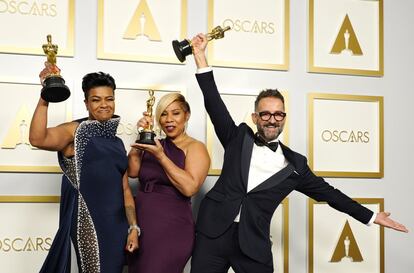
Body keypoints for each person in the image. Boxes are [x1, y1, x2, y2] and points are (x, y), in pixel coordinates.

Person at [188, 33, 409, 273]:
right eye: (265, 114)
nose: (272, 120)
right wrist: (200, 56)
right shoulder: (237, 138)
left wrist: (371, 216)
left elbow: (330, 194)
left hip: (252, 242)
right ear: (255, 118)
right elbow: (213, 102)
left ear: (284, 118)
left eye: (278, 114)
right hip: (212, 235)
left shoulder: (295, 165)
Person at [29, 63, 139, 273]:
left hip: (117, 229)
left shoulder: (117, 142)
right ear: (86, 103)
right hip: (88, 226)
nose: (104, 105)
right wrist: (45, 96)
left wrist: (133, 227)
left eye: (109, 99)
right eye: (96, 100)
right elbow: (37, 138)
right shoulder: (75, 132)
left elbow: (125, 191)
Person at [127, 92, 210, 273]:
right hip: (143, 223)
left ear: (186, 115)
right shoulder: (156, 143)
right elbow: (133, 172)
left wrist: (161, 156)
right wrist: (139, 138)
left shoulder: (195, 147)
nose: (169, 119)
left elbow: (190, 188)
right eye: (164, 114)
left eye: (175, 113)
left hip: (172, 227)